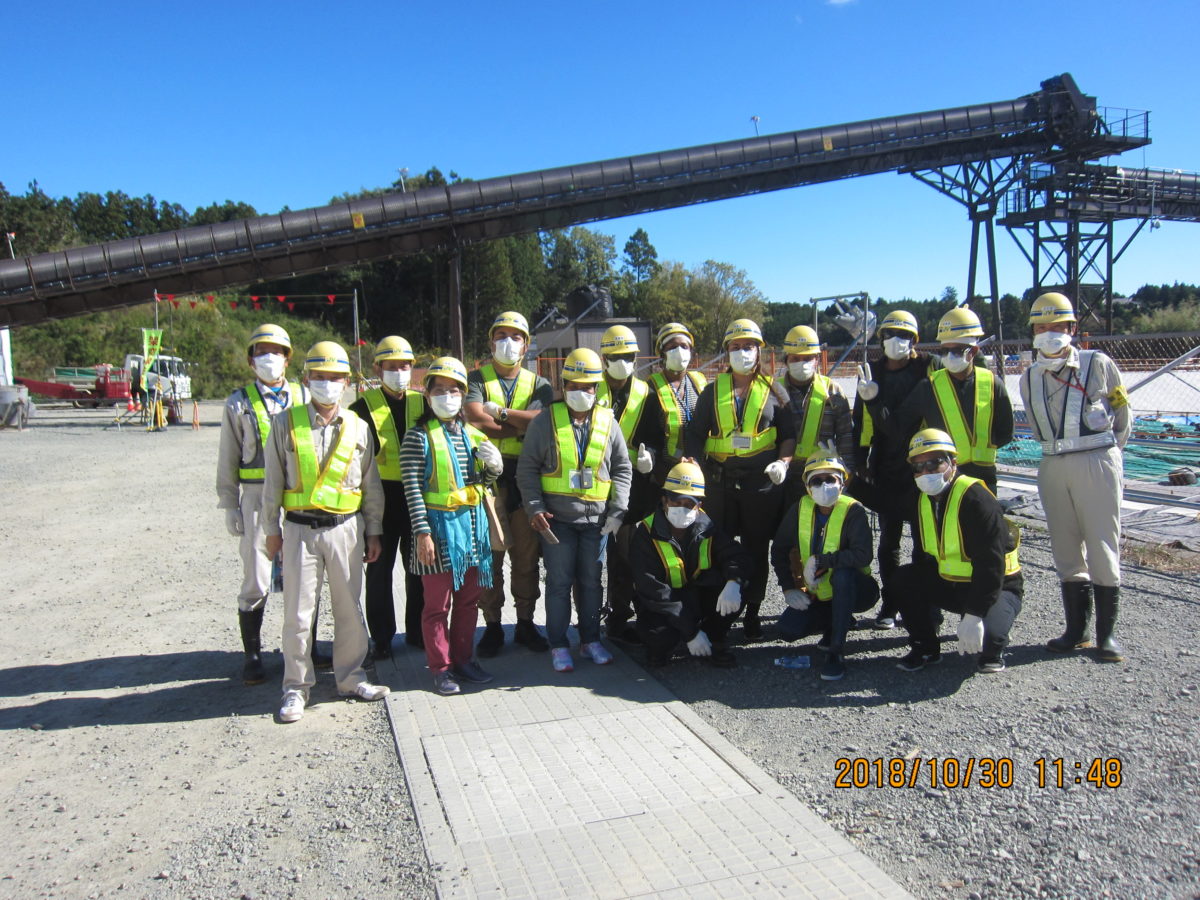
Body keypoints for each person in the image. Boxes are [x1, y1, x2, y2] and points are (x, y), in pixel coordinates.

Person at [261, 341, 390, 723]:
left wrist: (374, 531)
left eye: (335, 377)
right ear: (306, 379)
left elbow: (371, 485)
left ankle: (351, 678)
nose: (327, 383)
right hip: (299, 531)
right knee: (299, 614)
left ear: (347, 382)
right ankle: (295, 688)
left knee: (349, 609)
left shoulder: (358, 427)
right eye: (320, 376)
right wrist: (271, 531)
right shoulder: (285, 423)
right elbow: (272, 482)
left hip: (346, 530)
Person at [1018, 292, 1130, 662]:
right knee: (1065, 548)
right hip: (1053, 462)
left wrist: (1110, 455)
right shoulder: (1030, 376)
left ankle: (1106, 636)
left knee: (1101, 544)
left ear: (1072, 327)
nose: (1049, 333)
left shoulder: (1098, 363)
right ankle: (1076, 630)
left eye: (1057, 326)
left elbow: (1122, 412)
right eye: (1041, 327)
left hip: (1096, 459)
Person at [216, 323, 322, 685]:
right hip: (258, 499)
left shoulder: (304, 395)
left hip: (297, 496)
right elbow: (228, 456)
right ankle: (253, 655)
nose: (269, 358)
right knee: (257, 578)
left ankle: (309, 648)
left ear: (288, 359)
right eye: (261, 352)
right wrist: (230, 502)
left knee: (304, 576)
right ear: (250, 360)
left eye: (276, 352)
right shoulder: (238, 402)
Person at [516, 348, 632, 673]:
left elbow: (622, 467)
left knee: (592, 582)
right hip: (557, 523)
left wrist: (618, 509)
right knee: (558, 583)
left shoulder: (608, 422)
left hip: (597, 522)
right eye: (574, 386)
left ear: (597, 388)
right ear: (563, 385)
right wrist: (535, 508)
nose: (581, 392)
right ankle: (558, 644)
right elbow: (527, 469)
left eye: (588, 387)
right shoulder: (544, 422)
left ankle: (591, 640)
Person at [685, 318, 795, 640]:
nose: (743, 352)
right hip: (719, 483)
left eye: (749, 346)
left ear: (759, 351)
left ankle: (753, 610)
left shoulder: (775, 391)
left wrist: (783, 463)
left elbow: (788, 435)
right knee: (716, 545)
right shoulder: (712, 391)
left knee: (756, 548)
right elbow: (695, 435)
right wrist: (694, 467)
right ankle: (719, 609)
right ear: (727, 352)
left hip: (760, 486)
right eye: (736, 347)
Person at [400, 357, 504, 695]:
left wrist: (494, 469)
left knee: (468, 602)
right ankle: (441, 668)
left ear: (463, 394)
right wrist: (422, 534)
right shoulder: (417, 437)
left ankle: (464, 660)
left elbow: (482, 484)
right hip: (437, 533)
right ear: (427, 395)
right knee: (437, 606)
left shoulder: (473, 435)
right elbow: (412, 489)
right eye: (440, 390)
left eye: (454, 390)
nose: (448, 396)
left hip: (472, 531)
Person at [893, 428, 1023, 674]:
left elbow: (991, 564)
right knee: (903, 580)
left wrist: (974, 614)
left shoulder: (977, 499)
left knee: (988, 643)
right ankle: (925, 647)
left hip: (997, 586)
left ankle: (994, 645)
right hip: (951, 582)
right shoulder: (922, 497)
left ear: (953, 462)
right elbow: (883, 500)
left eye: (933, 463)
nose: (925, 472)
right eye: (918, 467)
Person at [464, 311, 554, 657]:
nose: (508, 342)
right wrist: (520, 425)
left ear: (526, 345)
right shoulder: (476, 378)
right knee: (490, 557)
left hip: (526, 476)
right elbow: (475, 418)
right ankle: (492, 625)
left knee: (526, 557)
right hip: (487, 477)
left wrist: (499, 414)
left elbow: (541, 422)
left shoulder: (539, 383)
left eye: (516, 337)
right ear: (490, 342)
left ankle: (526, 622)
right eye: (501, 335)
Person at [863, 306, 1013, 495]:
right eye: (944, 350)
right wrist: (873, 401)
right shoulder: (928, 387)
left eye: (957, 351)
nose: (949, 356)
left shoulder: (992, 384)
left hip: (984, 480)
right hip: (942, 480)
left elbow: (1005, 432)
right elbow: (896, 427)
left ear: (974, 351)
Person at [848, 310, 932, 629]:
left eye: (904, 335)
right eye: (890, 335)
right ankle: (891, 603)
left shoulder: (928, 367)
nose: (896, 341)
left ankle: (923, 604)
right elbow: (861, 419)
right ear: (881, 339)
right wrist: (860, 460)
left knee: (924, 541)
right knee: (889, 542)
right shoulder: (872, 372)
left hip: (921, 466)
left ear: (915, 340)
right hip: (885, 465)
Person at [348, 335, 426, 659]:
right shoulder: (360, 408)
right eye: (391, 366)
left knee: (419, 569)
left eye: (404, 366)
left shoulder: (424, 403)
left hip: (416, 496)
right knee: (379, 571)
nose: (398, 372)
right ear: (377, 368)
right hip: (379, 498)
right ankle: (381, 638)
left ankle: (418, 632)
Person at [630, 461, 751, 668]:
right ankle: (672, 644)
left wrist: (734, 582)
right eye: (676, 501)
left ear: (699, 506)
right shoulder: (646, 533)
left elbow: (736, 555)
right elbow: (653, 590)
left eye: (689, 504)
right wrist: (691, 632)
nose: (682, 508)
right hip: (663, 605)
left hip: (695, 596)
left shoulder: (707, 526)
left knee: (739, 588)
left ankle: (714, 639)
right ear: (664, 500)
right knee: (658, 636)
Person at [771, 452, 879, 681]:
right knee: (788, 630)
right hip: (819, 593)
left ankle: (836, 651)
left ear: (842, 483)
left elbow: (863, 556)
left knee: (843, 575)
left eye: (830, 479)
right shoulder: (800, 509)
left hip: (858, 590)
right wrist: (788, 588)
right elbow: (779, 550)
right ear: (808, 487)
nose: (824, 486)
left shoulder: (854, 510)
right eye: (817, 481)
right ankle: (837, 621)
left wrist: (823, 561)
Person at [595, 324, 665, 644]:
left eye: (628, 356)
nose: (622, 362)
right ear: (604, 358)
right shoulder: (590, 388)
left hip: (634, 488)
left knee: (627, 556)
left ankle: (624, 617)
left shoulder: (645, 393)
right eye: (615, 356)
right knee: (595, 559)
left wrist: (651, 455)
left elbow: (655, 435)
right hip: (593, 485)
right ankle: (597, 618)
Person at [777, 325, 854, 506]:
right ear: (786, 359)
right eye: (796, 358)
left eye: (807, 358)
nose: (802, 363)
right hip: (783, 476)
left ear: (817, 359)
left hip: (821, 477)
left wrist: (847, 471)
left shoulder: (833, 391)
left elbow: (846, 435)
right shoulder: (773, 391)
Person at [646, 322, 707, 477]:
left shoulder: (699, 382)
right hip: (666, 470)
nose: (679, 351)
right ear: (662, 354)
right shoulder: (651, 388)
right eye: (672, 347)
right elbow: (651, 435)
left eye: (684, 346)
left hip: (699, 466)